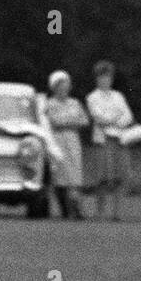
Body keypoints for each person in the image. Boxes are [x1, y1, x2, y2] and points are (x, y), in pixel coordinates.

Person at [85, 60, 134, 221]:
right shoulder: (92, 97)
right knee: (103, 177)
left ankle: (117, 213)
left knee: (120, 176)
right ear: (97, 79)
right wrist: (114, 117)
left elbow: (127, 116)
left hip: (119, 138)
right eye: (102, 77)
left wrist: (117, 121)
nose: (105, 80)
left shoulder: (118, 96)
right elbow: (99, 117)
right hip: (103, 140)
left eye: (108, 77)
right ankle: (99, 212)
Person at [43, 70, 89, 219]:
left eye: (65, 85)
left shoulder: (74, 103)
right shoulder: (50, 104)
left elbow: (84, 120)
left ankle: (76, 208)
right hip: (57, 141)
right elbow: (54, 122)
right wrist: (70, 122)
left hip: (73, 141)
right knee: (60, 175)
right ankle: (65, 208)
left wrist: (66, 122)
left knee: (74, 175)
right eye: (60, 85)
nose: (63, 88)